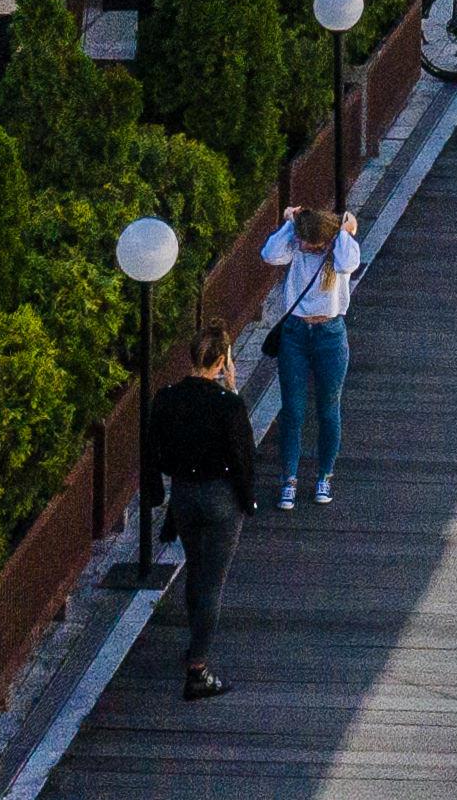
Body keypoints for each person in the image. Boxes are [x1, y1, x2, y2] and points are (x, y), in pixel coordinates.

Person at [145, 329, 259, 700]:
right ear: (222, 362)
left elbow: (152, 449)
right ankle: (198, 668)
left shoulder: (167, 399)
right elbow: (243, 454)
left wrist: (159, 490)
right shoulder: (227, 404)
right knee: (214, 581)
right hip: (219, 496)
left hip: (183, 496)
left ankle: (195, 642)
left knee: (195, 569)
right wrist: (248, 500)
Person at [261, 204, 362, 507]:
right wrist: (291, 224)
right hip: (295, 334)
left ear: (323, 240)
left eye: (309, 244)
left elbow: (348, 264)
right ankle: (289, 479)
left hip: (329, 334)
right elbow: (270, 254)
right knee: (292, 410)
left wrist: (343, 232)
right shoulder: (298, 244)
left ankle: (324, 476)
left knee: (328, 408)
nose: (304, 248)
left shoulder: (338, 251)